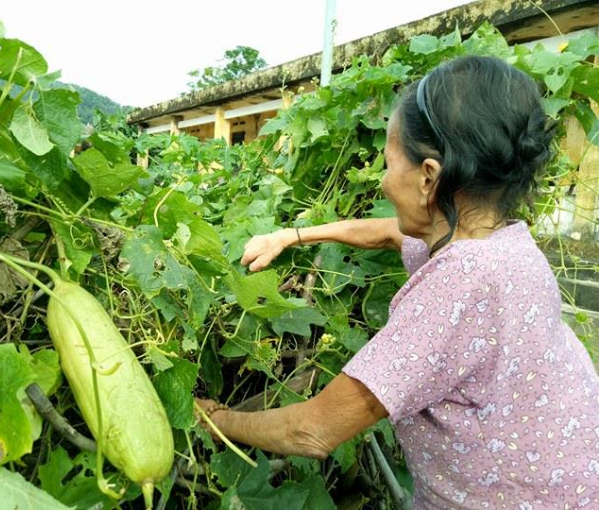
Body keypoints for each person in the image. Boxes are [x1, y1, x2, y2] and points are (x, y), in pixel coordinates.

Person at [195, 56, 599, 509]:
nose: (384, 184)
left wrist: (219, 420)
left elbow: (311, 430)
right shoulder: (500, 242)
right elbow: (390, 233)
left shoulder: (458, 286)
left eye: (388, 164)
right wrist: (291, 236)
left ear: (428, 177)